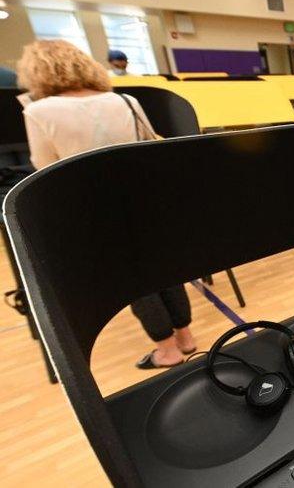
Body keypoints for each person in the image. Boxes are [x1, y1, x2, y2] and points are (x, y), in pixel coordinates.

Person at [17, 40, 196, 369]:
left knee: (134, 281)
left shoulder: (38, 111)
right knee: (167, 270)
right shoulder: (123, 100)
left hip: (92, 208)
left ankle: (167, 350)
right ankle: (185, 336)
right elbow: (150, 146)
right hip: (142, 198)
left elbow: (45, 167)